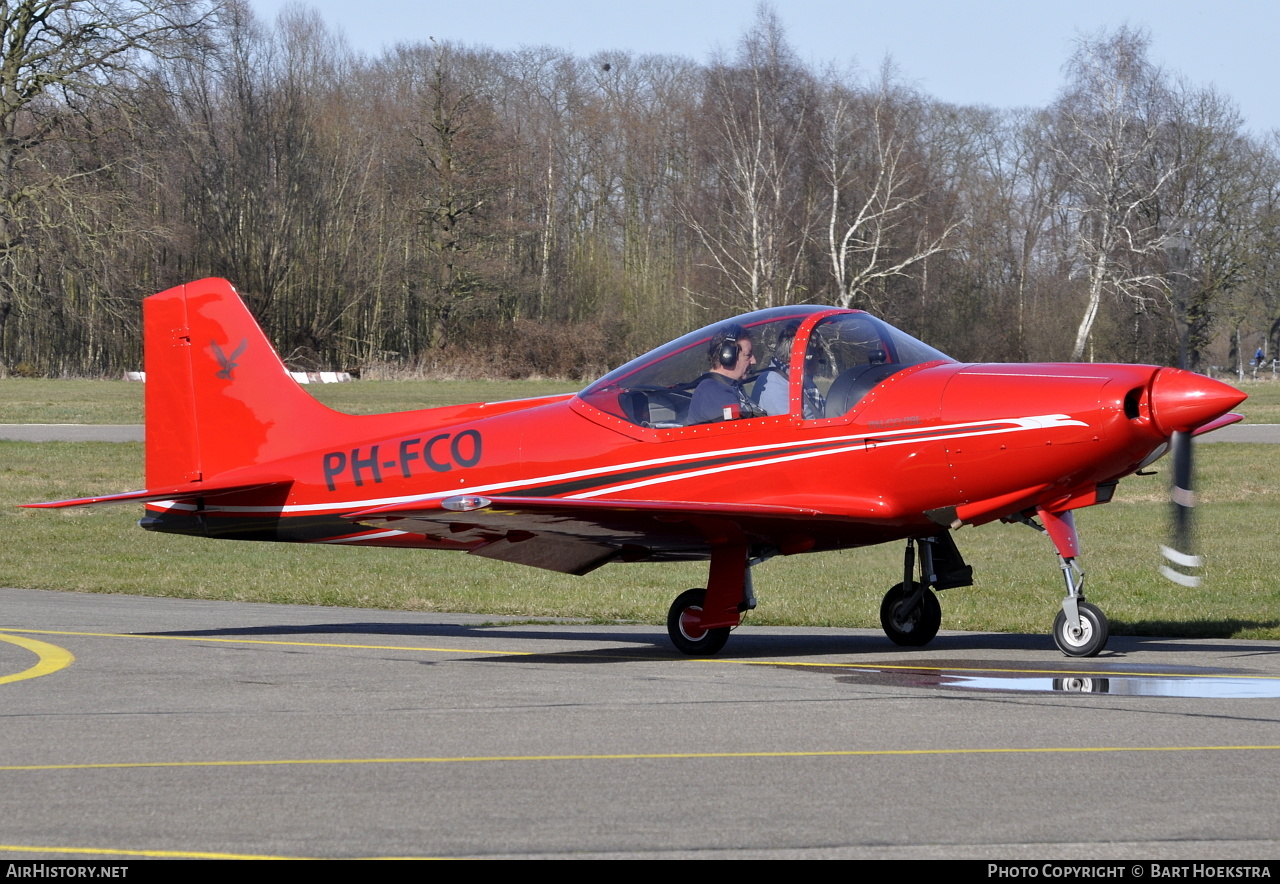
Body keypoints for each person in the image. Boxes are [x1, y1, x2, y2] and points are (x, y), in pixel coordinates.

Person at [687, 324, 761, 425]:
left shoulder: (730, 386)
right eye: (748, 355)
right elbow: (741, 432)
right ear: (728, 357)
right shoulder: (714, 391)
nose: (753, 361)